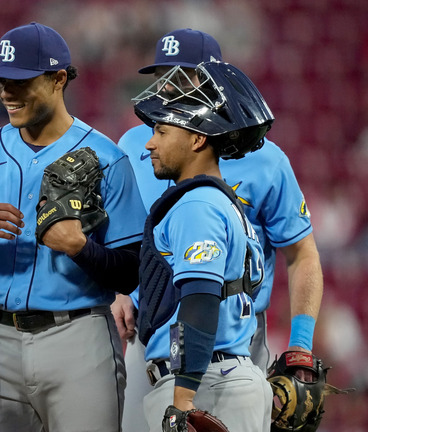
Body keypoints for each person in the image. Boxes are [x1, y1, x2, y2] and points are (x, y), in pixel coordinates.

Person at [112, 29, 324, 431]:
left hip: (233, 335)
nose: (168, 86)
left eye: (182, 75)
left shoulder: (265, 158)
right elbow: (125, 235)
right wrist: (121, 291)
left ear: (215, 80)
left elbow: (302, 255)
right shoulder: (136, 142)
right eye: (161, 75)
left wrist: (300, 343)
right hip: (152, 329)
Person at [0, 22, 148, 432]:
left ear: (58, 79)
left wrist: (80, 248)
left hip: (79, 337)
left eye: (19, 81)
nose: (6, 92)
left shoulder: (107, 158)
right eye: (2, 80)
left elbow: (133, 269)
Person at [132, 60, 274, 431]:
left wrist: (183, 402)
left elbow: (199, 300)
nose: (149, 143)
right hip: (222, 375)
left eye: (162, 131)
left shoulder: (197, 206)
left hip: (207, 384)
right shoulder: (219, 200)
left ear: (197, 139)